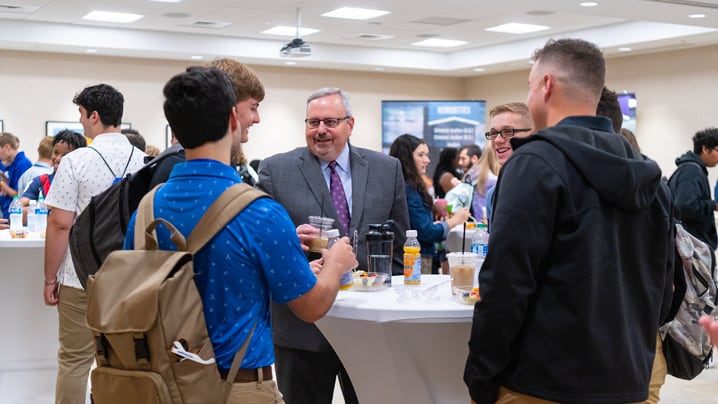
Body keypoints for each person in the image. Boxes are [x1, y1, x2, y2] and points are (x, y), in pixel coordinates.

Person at [124, 65, 357, 403]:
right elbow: (311, 307)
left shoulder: (147, 209)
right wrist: (335, 264)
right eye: (252, 110)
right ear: (232, 119)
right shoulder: (259, 213)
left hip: (161, 384)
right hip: (236, 386)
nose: (256, 119)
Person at [464, 38, 675, 403]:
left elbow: (505, 287)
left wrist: (480, 378)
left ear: (545, 85)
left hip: (543, 385)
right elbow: (664, 291)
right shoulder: (651, 178)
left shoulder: (533, 165)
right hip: (629, 381)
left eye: (530, 86)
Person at [257, 87, 410, 404]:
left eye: (330, 121)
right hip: (303, 328)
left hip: (370, 327)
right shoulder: (276, 171)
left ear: (350, 125)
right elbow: (263, 246)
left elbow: (398, 243)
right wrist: (291, 241)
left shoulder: (386, 168)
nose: (321, 130)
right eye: (313, 122)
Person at [43, 83, 146, 404]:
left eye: (82, 115)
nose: (82, 122)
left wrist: (50, 278)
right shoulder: (146, 162)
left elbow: (60, 223)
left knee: (75, 360)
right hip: (132, 278)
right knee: (125, 362)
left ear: (95, 116)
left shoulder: (76, 162)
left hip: (80, 275)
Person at [390, 134, 470, 273]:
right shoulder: (409, 189)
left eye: (426, 155)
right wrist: (455, 221)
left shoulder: (402, 185)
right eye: (421, 155)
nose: (427, 160)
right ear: (407, 158)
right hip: (418, 261)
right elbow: (425, 232)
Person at [483, 102, 533, 225]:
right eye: (494, 133)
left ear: (532, 134)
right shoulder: (493, 195)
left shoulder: (549, 187)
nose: (498, 140)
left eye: (508, 131)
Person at [669, 128, 718, 252]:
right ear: (705, 149)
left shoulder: (691, 169)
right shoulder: (692, 171)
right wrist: (712, 205)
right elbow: (685, 206)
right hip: (692, 247)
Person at [0, 132, 32, 218]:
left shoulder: (22, 164)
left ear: (7, 147)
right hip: (8, 210)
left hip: (16, 214)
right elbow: (12, 186)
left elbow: (18, 194)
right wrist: (4, 178)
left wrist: (1, 183)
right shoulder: (12, 164)